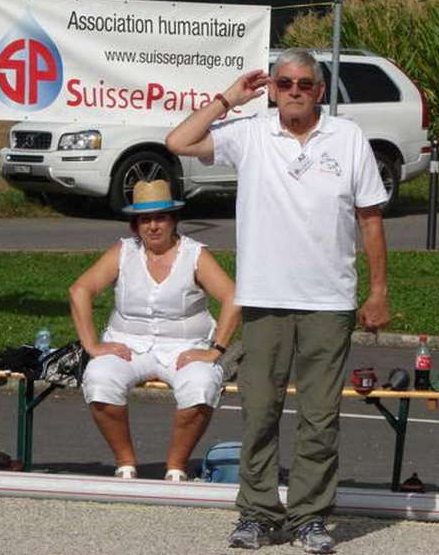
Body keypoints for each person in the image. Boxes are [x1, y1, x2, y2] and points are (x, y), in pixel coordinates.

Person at [165, 48, 390, 552]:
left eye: (303, 84)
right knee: (259, 411)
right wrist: (228, 98)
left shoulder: (348, 137)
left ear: (320, 91)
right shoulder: (249, 134)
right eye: (284, 82)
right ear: (271, 88)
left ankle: (310, 516)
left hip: (328, 301)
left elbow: (370, 219)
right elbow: (178, 141)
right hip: (264, 298)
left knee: (320, 415)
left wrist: (377, 291)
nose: (293, 91)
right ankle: (258, 513)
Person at [69, 179, 240, 482]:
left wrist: (216, 349)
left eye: (160, 218)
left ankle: (175, 466)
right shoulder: (123, 251)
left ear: (174, 221)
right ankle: (125, 463)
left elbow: (232, 297)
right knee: (99, 379)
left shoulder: (195, 255)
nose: (153, 226)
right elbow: (80, 289)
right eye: (145, 220)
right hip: (127, 344)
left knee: (200, 385)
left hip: (184, 347)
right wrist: (92, 345)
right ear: (135, 226)